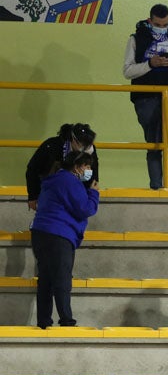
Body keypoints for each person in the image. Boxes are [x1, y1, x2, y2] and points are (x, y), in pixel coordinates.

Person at [29, 151, 99, 329]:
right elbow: (84, 209)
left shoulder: (54, 180)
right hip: (59, 234)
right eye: (87, 166)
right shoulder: (70, 181)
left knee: (45, 278)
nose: (89, 170)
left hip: (40, 233)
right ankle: (66, 321)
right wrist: (93, 194)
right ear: (77, 167)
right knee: (61, 279)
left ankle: (43, 322)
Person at [123, 3, 168, 189]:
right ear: (150, 20)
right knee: (154, 143)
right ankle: (156, 187)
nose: (162, 28)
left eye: (165, 24)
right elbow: (127, 72)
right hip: (145, 97)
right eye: (158, 25)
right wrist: (150, 64)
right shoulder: (136, 38)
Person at [25, 123, 99, 211]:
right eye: (84, 145)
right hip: (51, 192)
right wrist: (33, 196)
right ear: (73, 140)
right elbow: (32, 169)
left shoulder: (90, 149)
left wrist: (91, 194)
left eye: (89, 145)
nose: (87, 148)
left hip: (75, 192)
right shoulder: (51, 146)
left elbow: (93, 173)